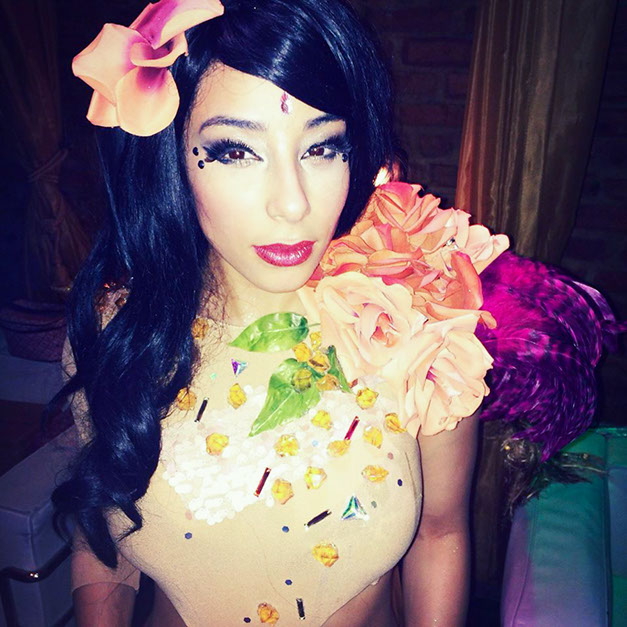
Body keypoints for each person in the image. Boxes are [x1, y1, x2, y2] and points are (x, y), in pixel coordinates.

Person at [53, 0, 619, 625]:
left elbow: (440, 532)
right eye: (236, 151)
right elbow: (101, 533)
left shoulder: (418, 320)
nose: (293, 203)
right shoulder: (116, 328)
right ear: (169, 155)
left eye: (322, 147)